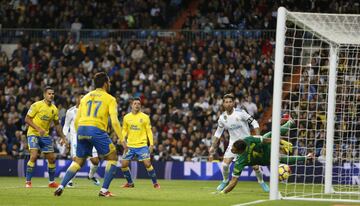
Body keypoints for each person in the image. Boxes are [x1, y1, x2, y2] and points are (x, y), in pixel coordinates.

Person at [54, 72, 124, 197]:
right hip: (96, 129)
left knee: (78, 161)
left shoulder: (85, 97)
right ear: (105, 83)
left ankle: (61, 186)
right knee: (113, 157)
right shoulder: (110, 99)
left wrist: (80, 134)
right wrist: (122, 139)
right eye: (108, 82)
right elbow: (114, 121)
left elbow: (76, 121)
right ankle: (104, 190)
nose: (110, 84)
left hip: (81, 129)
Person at [219, 119, 314, 194]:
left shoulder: (244, 149)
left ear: (240, 151)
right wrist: (278, 141)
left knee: (269, 137)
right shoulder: (244, 149)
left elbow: (234, 181)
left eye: (233, 149)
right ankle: (306, 157)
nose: (231, 149)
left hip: (266, 152)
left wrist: (277, 141)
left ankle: (290, 125)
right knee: (280, 155)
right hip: (266, 157)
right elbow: (233, 182)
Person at [208, 94, 268, 192]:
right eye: (226, 102)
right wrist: (213, 146)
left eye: (230, 102)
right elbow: (218, 133)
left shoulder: (241, 113)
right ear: (223, 104)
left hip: (247, 143)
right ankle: (225, 180)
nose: (228, 104)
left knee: (256, 167)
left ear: (233, 103)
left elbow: (254, 123)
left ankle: (261, 182)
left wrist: (257, 137)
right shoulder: (222, 118)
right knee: (225, 164)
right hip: (234, 144)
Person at [25, 86, 67, 188]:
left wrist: (63, 137)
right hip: (33, 133)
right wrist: (38, 129)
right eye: (49, 93)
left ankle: (51, 182)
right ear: (44, 94)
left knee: (52, 158)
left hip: (45, 135)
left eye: (53, 94)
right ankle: (28, 181)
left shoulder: (54, 109)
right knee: (34, 156)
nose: (51, 95)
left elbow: (57, 124)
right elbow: (27, 119)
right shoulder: (36, 105)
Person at [120, 97, 160, 189]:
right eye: (135, 103)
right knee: (123, 164)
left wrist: (151, 144)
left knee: (147, 163)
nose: (137, 105)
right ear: (131, 105)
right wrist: (123, 141)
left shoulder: (145, 117)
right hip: (130, 146)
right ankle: (130, 183)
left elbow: (149, 131)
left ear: (140, 106)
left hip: (142, 145)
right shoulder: (126, 117)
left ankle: (155, 183)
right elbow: (124, 131)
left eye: (138, 104)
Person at [62, 92, 100, 187]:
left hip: (89, 137)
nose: (83, 99)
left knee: (95, 161)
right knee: (76, 160)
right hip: (76, 138)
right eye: (81, 97)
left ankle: (91, 176)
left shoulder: (90, 112)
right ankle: (69, 181)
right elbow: (66, 126)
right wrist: (64, 138)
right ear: (77, 99)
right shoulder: (71, 111)